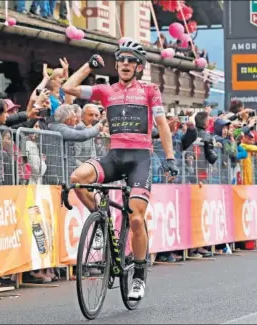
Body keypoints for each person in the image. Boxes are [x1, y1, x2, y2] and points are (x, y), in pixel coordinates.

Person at [63, 41, 179, 301]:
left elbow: (161, 124)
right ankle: (102, 221)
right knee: (77, 179)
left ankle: (138, 276)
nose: (125, 64)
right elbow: (67, 88)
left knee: (136, 218)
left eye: (131, 61)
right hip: (114, 157)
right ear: (117, 65)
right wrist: (87, 67)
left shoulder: (150, 90)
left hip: (140, 159)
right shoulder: (106, 91)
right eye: (122, 60)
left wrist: (170, 158)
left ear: (138, 66)